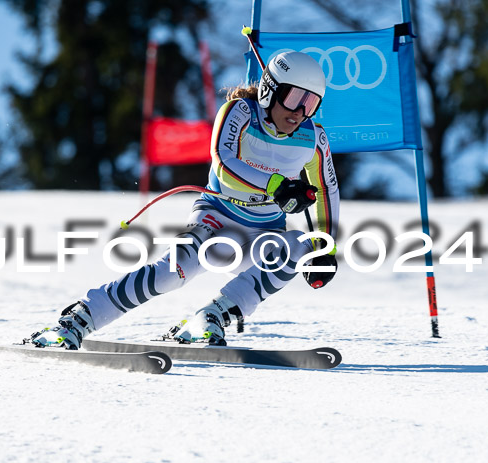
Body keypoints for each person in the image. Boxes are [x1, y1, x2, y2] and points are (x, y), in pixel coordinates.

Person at [28, 51, 340, 349]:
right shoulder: (240, 112)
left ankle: (212, 317)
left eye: (311, 103)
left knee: (301, 243)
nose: (300, 111)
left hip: (261, 235)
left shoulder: (314, 137)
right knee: (172, 273)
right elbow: (222, 161)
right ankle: (78, 319)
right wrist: (276, 185)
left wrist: (327, 247)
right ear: (271, 89)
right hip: (216, 222)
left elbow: (326, 189)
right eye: (295, 98)